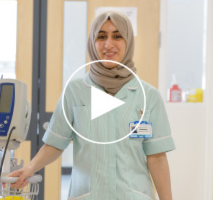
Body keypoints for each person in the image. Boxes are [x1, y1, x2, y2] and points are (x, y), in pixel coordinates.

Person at [9, 11, 175, 200]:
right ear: (92, 42)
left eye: (117, 36)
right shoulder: (75, 90)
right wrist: (29, 168)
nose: (108, 44)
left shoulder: (149, 96)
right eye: (101, 36)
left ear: (128, 42)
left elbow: (157, 157)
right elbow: (55, 143)